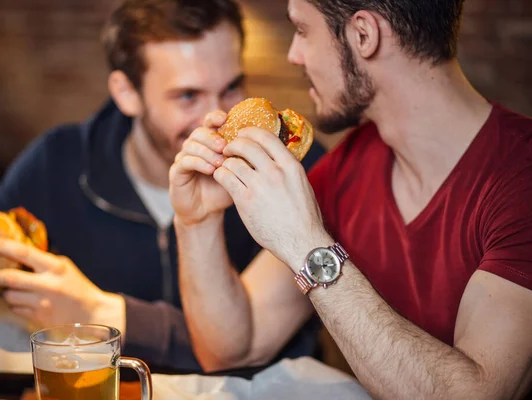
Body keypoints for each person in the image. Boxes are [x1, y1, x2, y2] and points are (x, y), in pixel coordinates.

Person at [0, 0, 325, 369]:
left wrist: (101, 315)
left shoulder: (296, 168)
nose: (217, 116)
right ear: (126, 93)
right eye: (188, 96)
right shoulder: (57, 160)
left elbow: (253, 349)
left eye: (231, 88)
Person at [170, 0, 532, 397]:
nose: (293, 54)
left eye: (303, 30)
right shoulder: (347, 167)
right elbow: (234, 347)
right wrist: (197, 221)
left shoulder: (522, 178)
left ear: (364, 35)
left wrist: (306, 245)